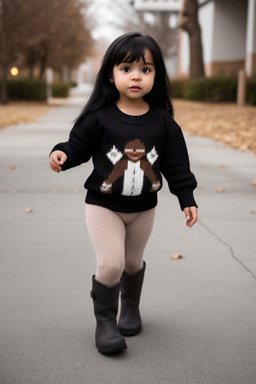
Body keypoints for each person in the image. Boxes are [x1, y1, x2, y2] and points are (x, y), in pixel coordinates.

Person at [49, 32, 198, 355]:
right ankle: (105, 321)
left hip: (144, 207)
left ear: (157, 76)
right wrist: (62, 154)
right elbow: (77, 146)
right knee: (112, 263)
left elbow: (176, 165)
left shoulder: (163, 121)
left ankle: (130, 306)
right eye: (127, 68)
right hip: (104, 205)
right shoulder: (99, 117)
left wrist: (187, 198)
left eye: (146, 69)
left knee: (132, 263)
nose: (136, 76)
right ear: (110, 74)